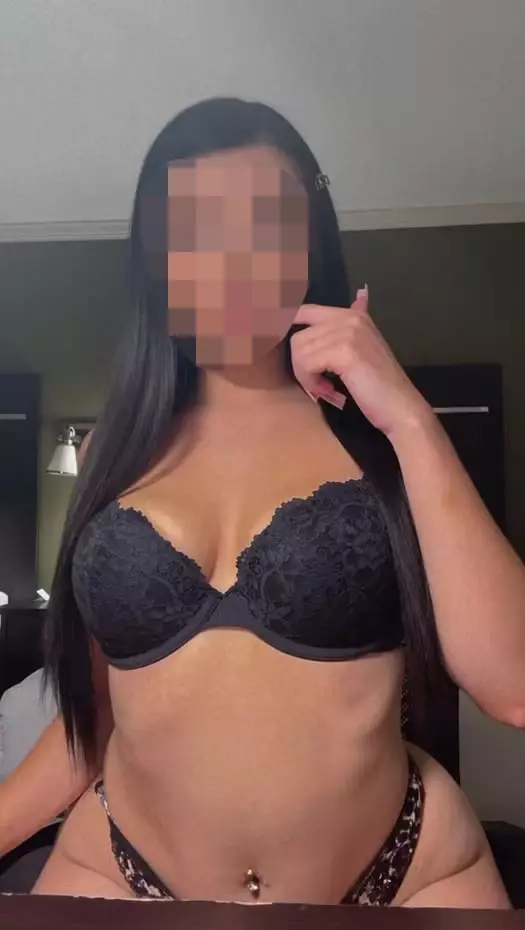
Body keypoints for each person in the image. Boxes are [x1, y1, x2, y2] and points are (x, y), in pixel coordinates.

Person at [1, 98, 524, 907]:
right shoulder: (113, 449)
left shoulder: (384, 439)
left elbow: (511, 685)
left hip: (404, 878)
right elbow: (95, 724)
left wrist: (409, 418)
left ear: (308, 240)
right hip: (120, 870)